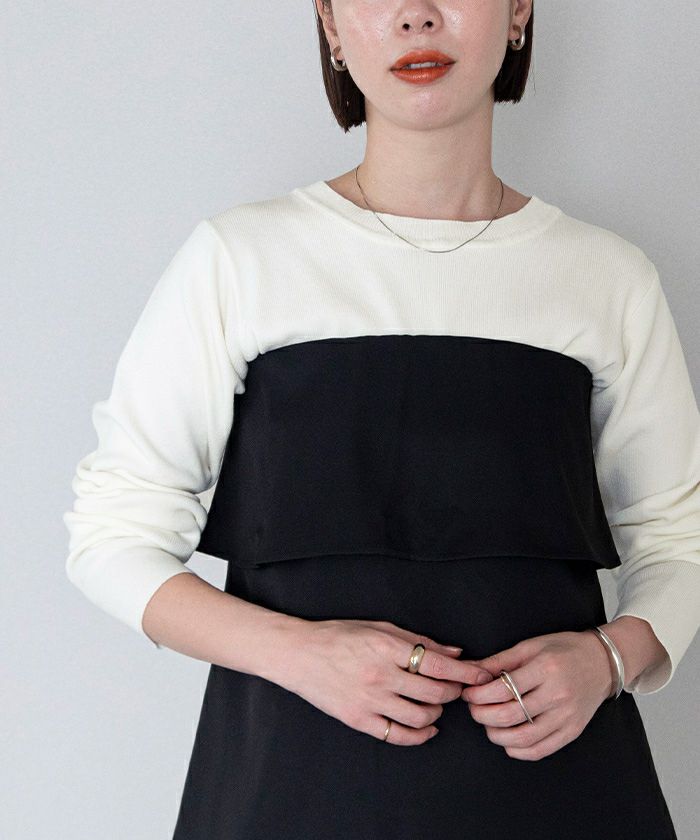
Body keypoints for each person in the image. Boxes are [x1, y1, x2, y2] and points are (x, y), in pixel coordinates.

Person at [63, 1, 699, 837]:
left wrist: (611, 659)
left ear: (517, 12)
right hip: (288, 789)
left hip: (560, 794)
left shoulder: (606, 277)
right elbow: (112, 538)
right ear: (330, 25)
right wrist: (301, 654)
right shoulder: (241, 259)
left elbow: (678, 537)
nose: (415, 16)